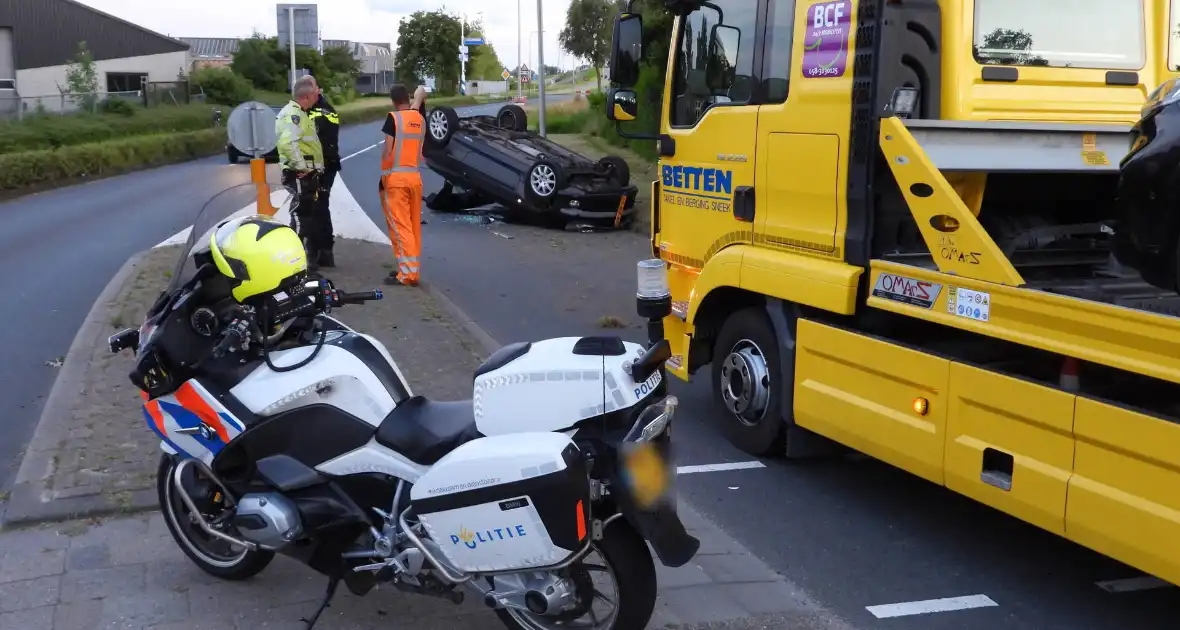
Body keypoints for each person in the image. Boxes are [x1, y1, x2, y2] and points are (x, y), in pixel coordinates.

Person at [275, 81, 326, 271]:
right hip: (300, 175)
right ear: (305, 96)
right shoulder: (295, 114)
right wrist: (302, 167)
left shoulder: (298, 113)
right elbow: (288, 143)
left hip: (305, 176)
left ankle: (300, 259)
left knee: (304, 216)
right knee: (300, 216)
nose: (317, 96)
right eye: (315, 94)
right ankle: (294, 261)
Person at [379, 84, 427, 286]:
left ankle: (408, 274)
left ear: (392, 100)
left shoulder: (394, 119)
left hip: (396, 180)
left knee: (400, 227)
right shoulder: (419, 119)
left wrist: (383, 176)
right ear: (407, 98)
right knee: (413, 226)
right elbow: (415, 109)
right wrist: (419, 98)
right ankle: (406, 268)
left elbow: (388, 152)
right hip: (415, 178)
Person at [299, 75, 341, 268]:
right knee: (320, 206)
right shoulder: (326, 109)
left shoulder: (317, 113)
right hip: (325, 165)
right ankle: (325, 252)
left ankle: (314, 253)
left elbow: (315, 144)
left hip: (318, 166)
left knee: (312, 207)